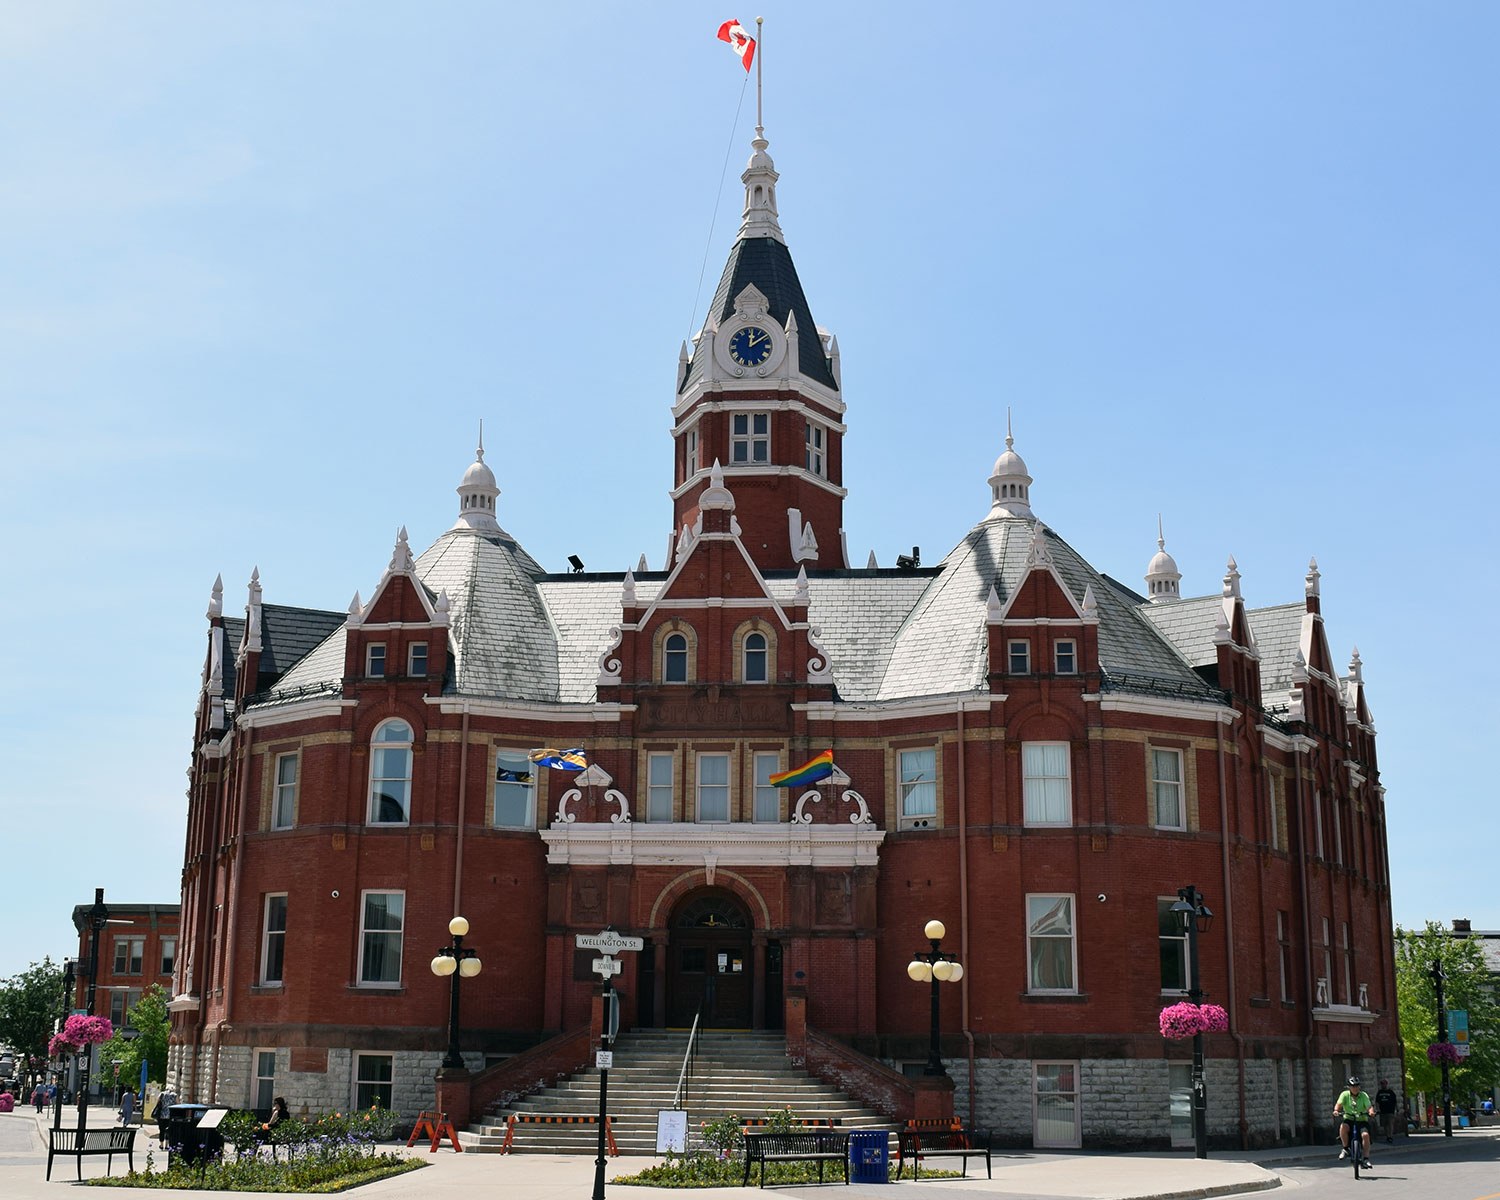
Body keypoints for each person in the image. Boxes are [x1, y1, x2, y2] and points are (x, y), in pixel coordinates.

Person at [1334, 1076, 1374, 1167]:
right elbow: (1338, 1104)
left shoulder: (1363, 1095)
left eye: (1357, 1086)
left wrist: (1371, 1112)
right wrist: (1336, 1110)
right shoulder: (1345, 1095)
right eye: (1353, 1086)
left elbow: (1369, 1106)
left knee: (1365, 1135)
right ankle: (1345, 1149)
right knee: (1343, 1127)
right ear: (1349, 1087)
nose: (1355, 1088)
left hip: (1361, 1119)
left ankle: (1366, 1159)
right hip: (1349, 1118)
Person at [1375, 1078, 1398, 1144]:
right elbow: (1377, 1102)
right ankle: (1387, 1136)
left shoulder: (1390, 1092)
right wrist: (1377, 1109)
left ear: (1386, 1084)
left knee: (1390, 1123)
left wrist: (1397, 1109)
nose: (1382, 1085)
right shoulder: (1379, 1092)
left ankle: (1390, 1136)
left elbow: (1395, 1101)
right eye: (1381, 1084)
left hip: (1390, 1111)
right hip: (1383, 1111)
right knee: (1385, 1124)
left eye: (1384, 1083)